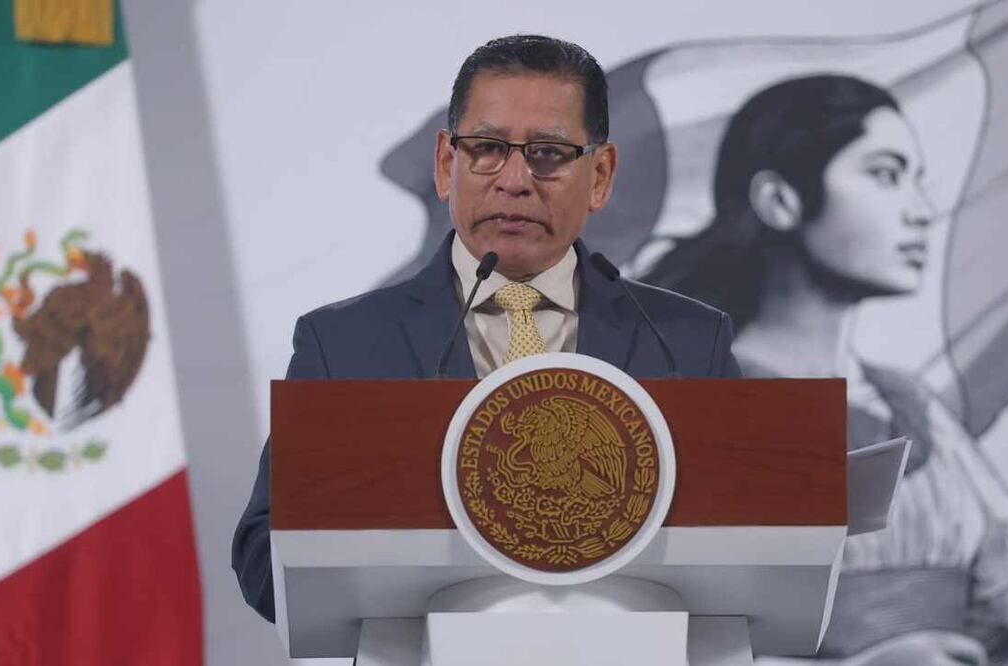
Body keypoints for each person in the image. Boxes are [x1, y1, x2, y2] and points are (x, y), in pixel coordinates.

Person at [232, 34, 741, 623]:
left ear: (599, 175)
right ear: (448, 164)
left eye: (549, 153)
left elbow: (746, 540)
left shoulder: (684, 341)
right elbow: (263, 558)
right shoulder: (344, 345)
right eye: (488, 148)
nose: (515, 179)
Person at [643, 75, 1008, 666]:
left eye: (918, 180)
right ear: (780, 200)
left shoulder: (908, 402)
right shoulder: (704, 401)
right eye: (885, 175)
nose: (922, 211)